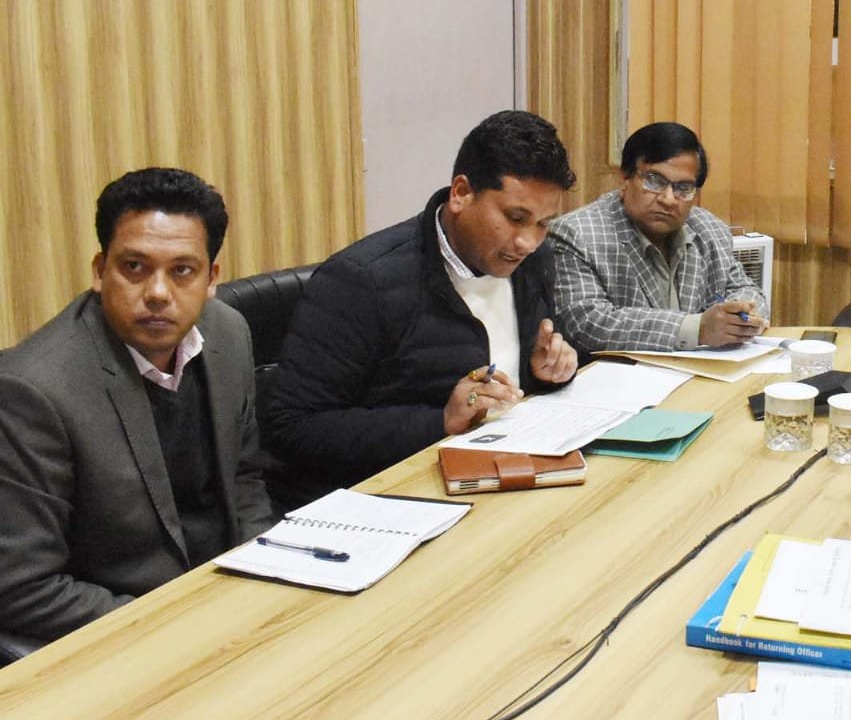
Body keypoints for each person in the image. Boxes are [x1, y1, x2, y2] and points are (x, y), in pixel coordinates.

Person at [0, 168, 274, 644]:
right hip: (124, 627)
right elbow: (23, 587)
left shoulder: (228, 333)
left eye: (182, 270)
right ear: (99, 271)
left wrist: (267, 574)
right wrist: (176, 626)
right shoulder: (33, 390)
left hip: (227, 603)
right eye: (134, 267)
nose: (157, 293)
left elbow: (244, 478)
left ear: (211, 278)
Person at [264, 111, 579, 505]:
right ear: (461, 193)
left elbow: (516, 383)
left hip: (506, 474)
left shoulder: (534, 260)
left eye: (543, 223)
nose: (527, 242)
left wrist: (548, 372)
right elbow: (293, 426)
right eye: (516, 218)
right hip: (393, 496)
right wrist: (440, 421)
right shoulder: (362, 281)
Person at [547, 122, 767, 353]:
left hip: (703, 370)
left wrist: (743, 315)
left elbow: (745, 289)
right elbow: (587, 323)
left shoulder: (709, 229)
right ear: (625, 178)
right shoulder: (578, 234)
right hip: (620, 372)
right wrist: (697, 328)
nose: (668, 199)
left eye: (683, 188)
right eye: (654, 181)